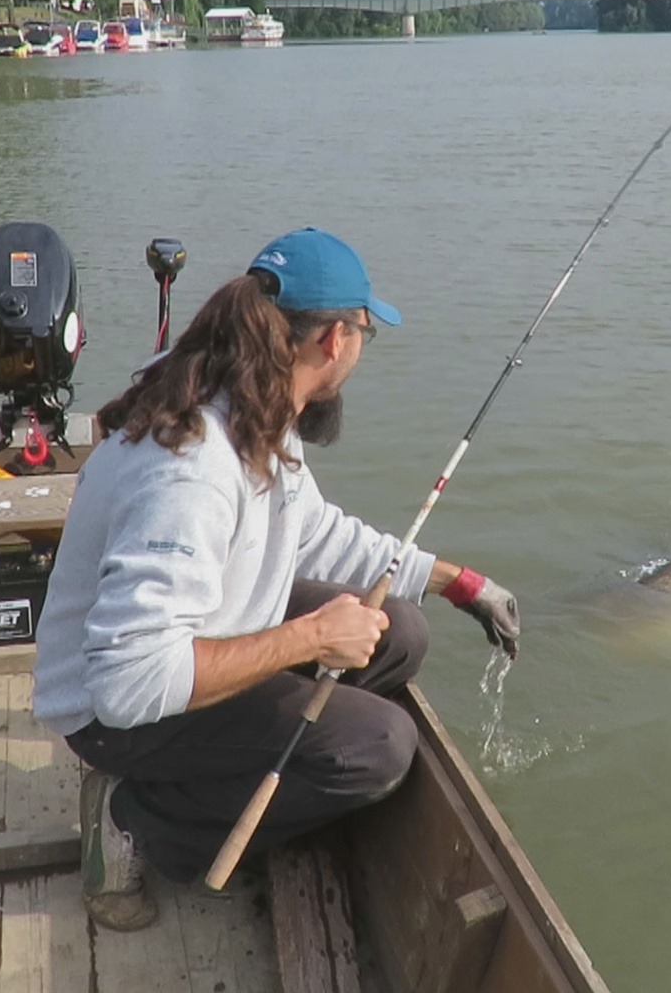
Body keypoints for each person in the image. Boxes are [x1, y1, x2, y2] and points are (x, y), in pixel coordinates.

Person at [32, 227, 520, 932]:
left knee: (399, 633)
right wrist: (308, 638)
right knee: (377, 747)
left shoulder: (256, 397)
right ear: (334, 341)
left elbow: (312, 530)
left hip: (204, 630)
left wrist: (452, 581)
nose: (360, 351)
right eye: (364, 334)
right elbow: (129, 682)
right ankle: (137, 819)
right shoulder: (192, 468)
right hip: (113, 716)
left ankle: (221, 772)